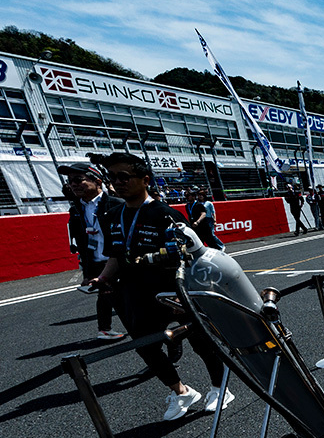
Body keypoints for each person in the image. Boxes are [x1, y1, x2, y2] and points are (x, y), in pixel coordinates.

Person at [92, 152, 232, 421]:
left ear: (145, 180)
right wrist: (103, 278)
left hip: (173, 291)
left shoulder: (166, 214)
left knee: (200, 341)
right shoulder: (112, 216)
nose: (117, 182)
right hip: (135, 292)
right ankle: (181, 392)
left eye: (124, 176)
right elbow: (115, 255)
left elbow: (191, 257)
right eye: (113, 177)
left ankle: (220, 388)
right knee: (146, 346)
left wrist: (185, 292)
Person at [61, 161, 126, 342]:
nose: (73, 184)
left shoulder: (117, 204)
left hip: (121, 260)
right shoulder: (76, 210)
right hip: (97, 262)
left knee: (132, 297)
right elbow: (82, 244)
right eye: (70, 181)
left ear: (97, 181)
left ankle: (154, 331)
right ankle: (106, 329)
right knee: (106, 295)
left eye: (78, 179)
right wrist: (87, 273)